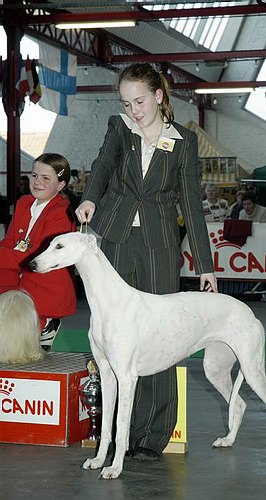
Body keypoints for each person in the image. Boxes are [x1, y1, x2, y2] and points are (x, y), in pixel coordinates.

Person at [75, 63, 217, 462]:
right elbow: (103, 165)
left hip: (159, 245)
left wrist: (205, 265)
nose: (134, 109)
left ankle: (152, 436)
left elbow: (191, 204)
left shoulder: (184, 142)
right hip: (114, 239)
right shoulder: (120, 128)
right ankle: (114, 434)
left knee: (161, 338)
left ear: (158, 95)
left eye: (139, 101)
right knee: (111, 338)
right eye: (127, 102)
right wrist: (89, 197)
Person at [0, 153, 77, 350]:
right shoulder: (24, 202)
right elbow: (10, 242)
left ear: (61, 185)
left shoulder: (62, 212)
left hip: (44, 282)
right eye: (34, 176)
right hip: (20, 275)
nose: (37, 182)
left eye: (46, 178)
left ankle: (46, 322)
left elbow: (36, 257)